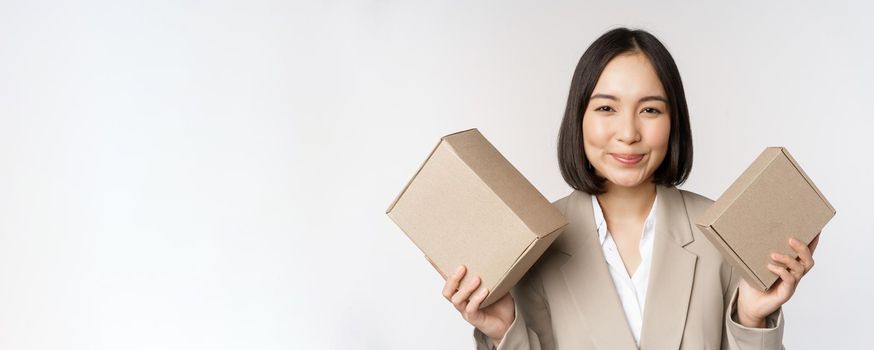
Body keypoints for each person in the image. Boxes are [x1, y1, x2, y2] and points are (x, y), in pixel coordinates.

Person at [442, 27, 820, 350]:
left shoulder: (723, 236)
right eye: (606, 108)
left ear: (674, 122)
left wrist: (752, 320)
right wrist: (503, 330)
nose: (628, 134)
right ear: (579, 118)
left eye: (650, 110)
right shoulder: (532, 246)